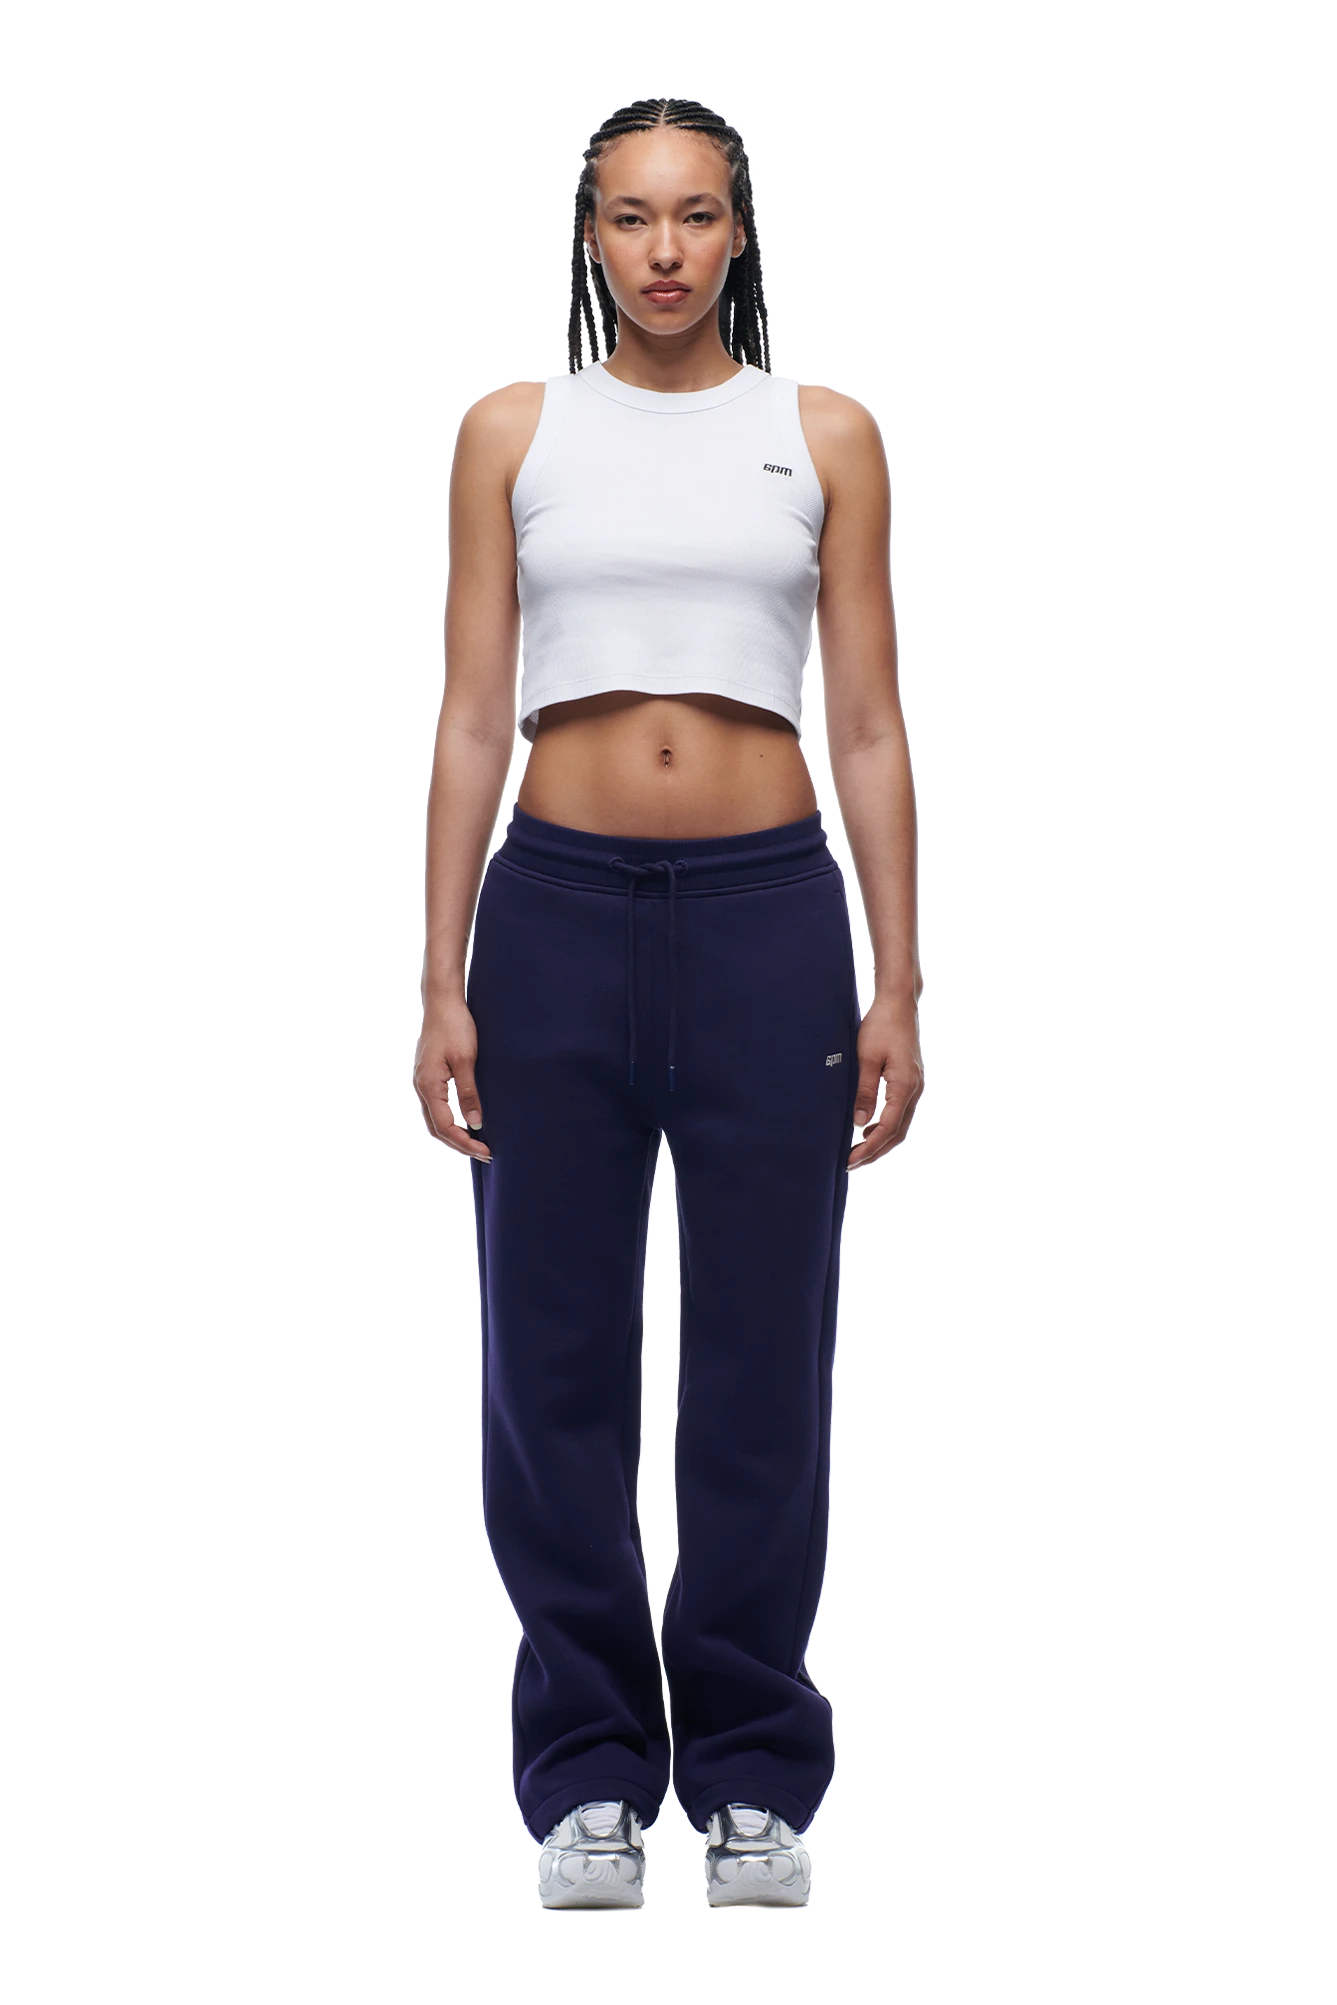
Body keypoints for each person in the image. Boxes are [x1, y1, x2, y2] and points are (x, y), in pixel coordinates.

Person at [415, 97, 923, 1911]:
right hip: (553, 911)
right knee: (551, 1357)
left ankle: (756, 1772)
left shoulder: (824, 434)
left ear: (738, 234)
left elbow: (870, 723)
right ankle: (588, 1777)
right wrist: (442, 974)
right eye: (631, 217)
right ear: (590, 236)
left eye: (696, 215)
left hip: (767, 916)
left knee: (764, 1361)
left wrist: (900, 979)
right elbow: (474, 712)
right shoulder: (514, 431)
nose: (664, 251)